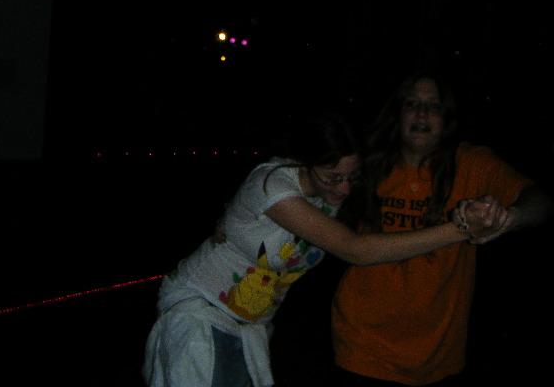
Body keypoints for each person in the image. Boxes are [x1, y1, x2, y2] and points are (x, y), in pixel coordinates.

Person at [141, 110, 505, 387]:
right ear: (306, 161)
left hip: (250, 328)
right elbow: (356, 249)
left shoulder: (330, 199)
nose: (343, 188)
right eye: (333, 177)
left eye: (352, 177)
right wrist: (459, 230)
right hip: (200, 311)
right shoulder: (274, 185)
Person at [330, 70, 554, 386]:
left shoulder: (472, 164)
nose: (422, 114)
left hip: (436, 356)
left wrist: (510, 217)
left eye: (433, 106)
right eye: (412, 104)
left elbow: (542, 202)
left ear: (446, 117)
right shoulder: (368, 164)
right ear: (398, 113)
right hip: (361, 346)